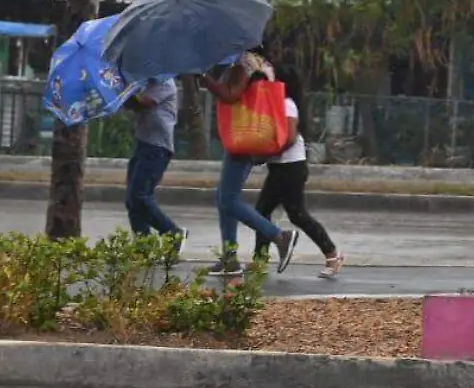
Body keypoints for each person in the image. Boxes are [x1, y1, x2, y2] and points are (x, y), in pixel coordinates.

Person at [202, 48, 295, 276]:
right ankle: (229, 257)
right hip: (247, 133)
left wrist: (203, 78)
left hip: (244, 134)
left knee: (228, 200)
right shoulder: (258, 61)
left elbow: (231, 95)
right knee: (224, 197)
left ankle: (279, 236)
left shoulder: (246, 61)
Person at [250, 73, 344, 279]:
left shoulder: (286, 104)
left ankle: (332, 254)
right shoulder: (274, 104)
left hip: (291, 167)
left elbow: (290, 139)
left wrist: (265, 155)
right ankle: (259, 260)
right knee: (262, 212)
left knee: (295, 214)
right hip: (280, 167)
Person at [123, 76, 181, 242]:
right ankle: (143, 245)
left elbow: (143, 103)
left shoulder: (165, 82)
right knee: (132, 200)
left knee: (140, 195)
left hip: (157, 147)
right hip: (144, 143)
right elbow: (132, 105)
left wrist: (120, 90)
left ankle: (172, 232)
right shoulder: (146, 82)